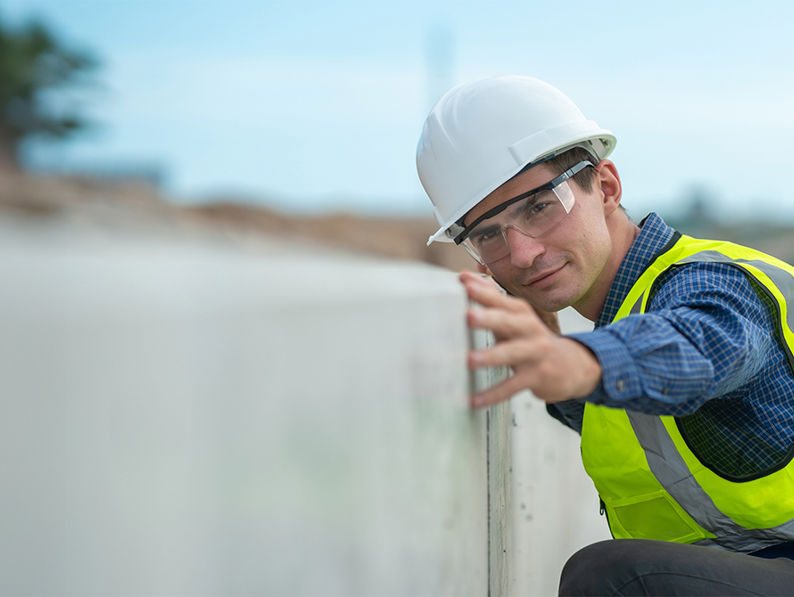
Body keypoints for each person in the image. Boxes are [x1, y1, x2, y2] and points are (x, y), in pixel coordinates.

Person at [416, 75, 794, 596]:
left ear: (607, 188)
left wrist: (578, 360)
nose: (522, 254)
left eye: (540, 207)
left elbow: (701, 346)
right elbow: (649, 433)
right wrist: (560, 365)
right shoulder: (621, 309)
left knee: (608, 575)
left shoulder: (706, 281)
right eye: (488, 235)